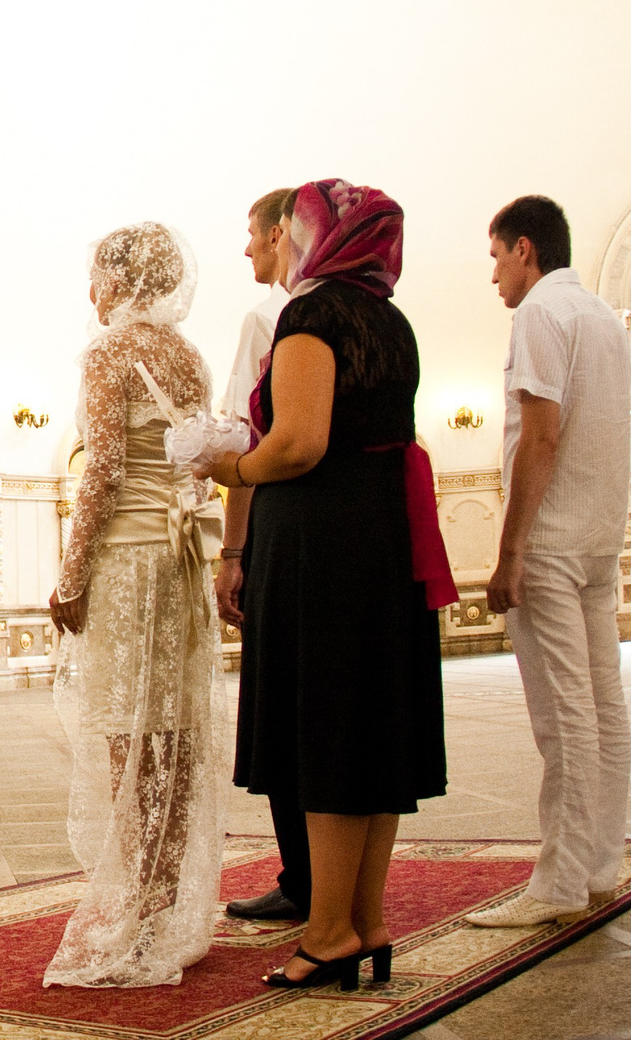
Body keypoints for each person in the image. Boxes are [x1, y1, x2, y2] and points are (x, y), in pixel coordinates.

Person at [204, 180, 449, 992]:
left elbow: (300, 443)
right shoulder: (389, 317)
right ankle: (365, 920)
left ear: (313, 235)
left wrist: (229, 466)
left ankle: (330, 929)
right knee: (372, 733)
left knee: (330, 735)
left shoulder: (311, 316)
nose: (252, 247)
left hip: (326, 548)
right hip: (382, 542)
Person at [43, 224, 224, 987]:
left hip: (124, 559)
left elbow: (104, 471)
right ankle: (164, 897)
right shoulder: (189, 356)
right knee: (176, 731)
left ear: (121, 280)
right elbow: (197, 467)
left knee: (127, 732)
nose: (91, 292)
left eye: (96, 276)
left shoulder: (109, 352)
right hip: (180, 561)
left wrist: (71, 575)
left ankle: (139, 905)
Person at [467, 195, 631, 927]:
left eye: (497, 257)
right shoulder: (602, 316)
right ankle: (599, 861)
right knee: (602, 704)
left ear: (526, 249)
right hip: (598, 536)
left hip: (553, 543)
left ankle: (561, 882)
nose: (495, 275)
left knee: (563, 715)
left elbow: (540, 435)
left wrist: (510, 551)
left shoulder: (538, 313)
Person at [217, 188, 308, 925]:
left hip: (281, 526)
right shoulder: (366, 311)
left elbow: (245, 438)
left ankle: (302, 877)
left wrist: (231, 551)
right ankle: (336, 885)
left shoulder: (269, 318)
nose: (247, 250)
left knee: (282, 708)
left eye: (252, 235)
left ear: (281, 233)